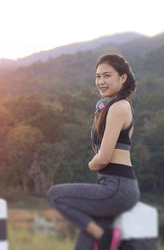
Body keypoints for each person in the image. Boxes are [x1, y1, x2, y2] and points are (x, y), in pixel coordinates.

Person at [47, 53, 140, 250]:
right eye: (98, 77)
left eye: (107, 76)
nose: (101, 81)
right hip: (114, 185)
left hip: (116, 188)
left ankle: (104, 236)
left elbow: (104, 158)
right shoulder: (111, 107)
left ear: (123, 78)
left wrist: (92, 163)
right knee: (84, 244)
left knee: (56, 195)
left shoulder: (119, 107)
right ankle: (103, 236)